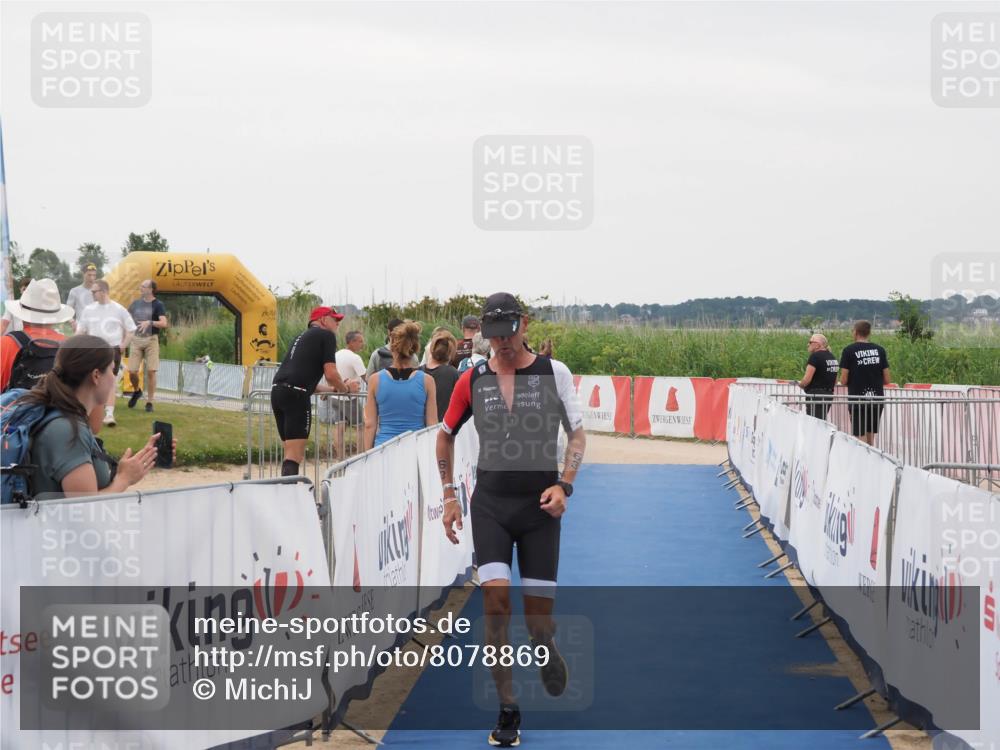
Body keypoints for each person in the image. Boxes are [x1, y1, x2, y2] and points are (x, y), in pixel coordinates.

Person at [436, 292, 586, 748]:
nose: (501, 344)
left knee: (538, 621)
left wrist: (565, 485)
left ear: (524, 325)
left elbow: (576, 434)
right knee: (496, 611)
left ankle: (546, 645)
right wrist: (449, 496)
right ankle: (508, 708)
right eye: (493, 336)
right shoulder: (472, 378)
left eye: (508, 334)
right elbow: (444, 439)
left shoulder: (552, 373)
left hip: (540, 510)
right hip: (491, 507)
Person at [12, 335, 159, 499]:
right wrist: (123, 479)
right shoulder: (68, 430)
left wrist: (124, 470)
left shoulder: (62, 417)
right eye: (112, 370)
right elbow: (86, 508)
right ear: (96, 375)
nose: (114, 378)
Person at [271, 306, 358, 476]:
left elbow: (303, 379)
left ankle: (286, 494)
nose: (338, 325)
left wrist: (333, 389)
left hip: (278, 390)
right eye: (336, 320)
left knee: (289, 452)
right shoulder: (326, 336)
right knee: (294, 456)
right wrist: (346, 389)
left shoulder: (300, 337)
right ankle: (290, 498)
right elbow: (331, 374)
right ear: (324, 320)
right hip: (296, 394)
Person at [364, 320, 436, 449]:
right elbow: (432, 424)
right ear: (415, 349)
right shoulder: (427, 381)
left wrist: (366, 458)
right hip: (416, 448)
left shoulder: (375, 380)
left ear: (392, 346)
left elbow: (370, 424)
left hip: (384, 448)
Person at [76, 279, 136, 425]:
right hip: (93, 349)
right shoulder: (89, 310)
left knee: (110, 381)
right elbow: (81, 330)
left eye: (94, 291)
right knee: (90, 381)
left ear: (103, 292)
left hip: (111, 349)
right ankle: (87, 412)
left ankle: (109, 414)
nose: (92, 294)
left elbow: (131, 329)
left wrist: (123, 345)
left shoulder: (118, 309)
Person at [1, 278, 72, 392]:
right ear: (55, 318)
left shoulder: (6, 344)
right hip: (60, 408)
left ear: (21, 314)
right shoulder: (72, 347)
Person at [839, 320, 891, 446]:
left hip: (858, 399)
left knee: (860, 435)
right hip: (876, 398)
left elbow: (844, 379)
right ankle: (871, 462)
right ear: (869, 333)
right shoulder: (880, 350)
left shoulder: (849, 350)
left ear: (856, 332)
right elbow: (887, 379)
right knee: (870, 435)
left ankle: (863, 464)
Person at [126, 279, 168, 412]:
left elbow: (164, 323)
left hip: (151, 340)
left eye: (143, 286)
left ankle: (149, 402)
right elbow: (126, 318)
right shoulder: (135, 303)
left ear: (151, 290)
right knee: (132, 371)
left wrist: (149, 322)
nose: (140, 288)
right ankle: (137, 391)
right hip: (136, 340)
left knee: (151, 371)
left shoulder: (158, 304)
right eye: (141, 286)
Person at [795, 333, 838, 420]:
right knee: (821, 422)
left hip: (815, 395)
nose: (808, 344)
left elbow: (807, 379)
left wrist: (800, 384)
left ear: (818, 345)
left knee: (814, 424)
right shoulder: (832, 357)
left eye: (810, 342)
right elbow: (835, 380)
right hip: (828, 395)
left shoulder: (815, 357)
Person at [420, 329, 459, 421]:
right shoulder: (452, 373)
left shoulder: (418, 372)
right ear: (450, 353)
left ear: (432, 348)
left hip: (420, 429)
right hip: (444, 427)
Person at [65, 263, 98, 328]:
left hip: (97, 328)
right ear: (83, 274)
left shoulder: (99, 291)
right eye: (89, 275)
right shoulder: (74, 291)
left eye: (94, 275)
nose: (92, 278)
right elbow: (67, 310)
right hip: (80, 329)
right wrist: (72, 322)